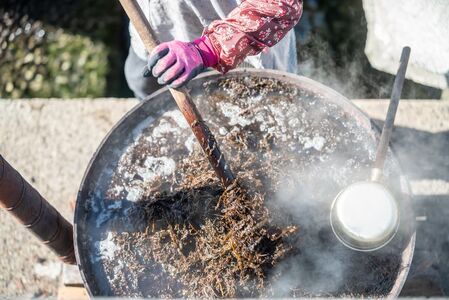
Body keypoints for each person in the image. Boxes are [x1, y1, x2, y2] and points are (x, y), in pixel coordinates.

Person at [125, 0, 303, 100]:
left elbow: (280, 5)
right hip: (156, 26)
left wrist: (208, 48)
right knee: (144, 86)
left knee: (264, 106)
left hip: (245, 38)